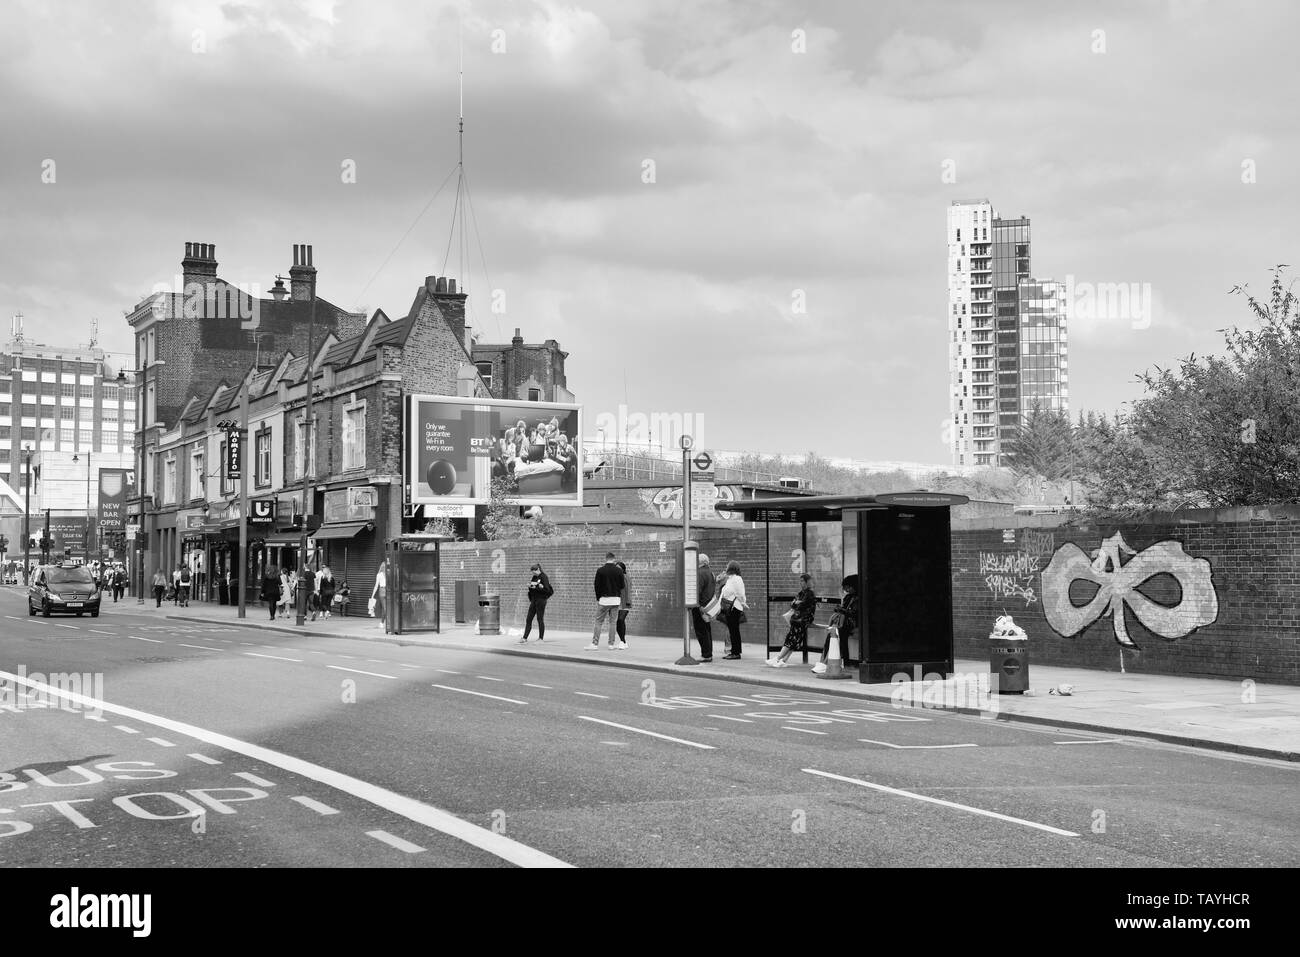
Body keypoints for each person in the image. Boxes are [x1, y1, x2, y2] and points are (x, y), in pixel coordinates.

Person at [768, 574, 817, 668]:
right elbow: (793, 604)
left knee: (792, 637)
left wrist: (797, 603)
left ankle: (778, 658)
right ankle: (783, 660)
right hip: (798, 618)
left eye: (802, 581)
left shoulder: (809, 593)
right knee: (794, 638)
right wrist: (796, 603)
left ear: (807, 582)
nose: (800, 583)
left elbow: (801, 605)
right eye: (800, 581)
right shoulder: (801, 593)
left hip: (804, 619)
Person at [815, 575, 860, 674]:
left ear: (854, 586)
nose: (847, 590)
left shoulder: (859, 597)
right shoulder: (849, 597)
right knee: (834, 633)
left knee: (836, 633)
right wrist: (841, 609)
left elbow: (855, 613)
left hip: (853, 624)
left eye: (848, 587)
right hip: (845, 624)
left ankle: (826, 663)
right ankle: (825, 661)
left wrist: (842, 610)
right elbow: (847, 610)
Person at [588, 552, 625, 650]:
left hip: (604, 600)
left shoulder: (600, 570)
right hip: (616, 600)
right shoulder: (619, 571)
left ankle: (595, 644)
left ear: (606, 558)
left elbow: (596, 586)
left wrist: (598, 598)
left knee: (598, 622)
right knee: (613, 622)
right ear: (614, 559)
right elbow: (622, 586)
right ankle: (611, 644)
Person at [719, 560, 748, 660]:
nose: (726, 567)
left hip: (734, 608)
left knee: (734, 631)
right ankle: (733, 651)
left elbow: (740, 593)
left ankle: (736, 653)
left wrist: (743, 602)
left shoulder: (737, 579)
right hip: (729, 609)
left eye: (727, 566)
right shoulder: (730, 579)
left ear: (731, 568)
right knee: (732, 631)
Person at [692, 553, 716, 662]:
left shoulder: (700, 573)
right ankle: (708, 653)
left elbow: (697, 591)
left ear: (700, 562)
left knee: (701, 631)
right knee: (707, 630)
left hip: (700, 607)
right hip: (708, 606)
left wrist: (699, 605)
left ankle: (706, 655)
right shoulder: (710, 572)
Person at [520, 562, 553, 643]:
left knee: (540, 619)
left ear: (538, 569)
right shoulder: (534, 577)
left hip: (541, 600)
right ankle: (524, 638)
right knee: (528, 619)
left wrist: (538, 587)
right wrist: (530, 587)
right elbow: (532, 588)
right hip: (534, 600)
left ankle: (541, 638)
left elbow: (547, 590)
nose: (533, 573)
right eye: (532, 572)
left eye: (534, 571)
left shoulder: (544, 577)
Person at [615, 560, 632, 649]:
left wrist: (628, 602)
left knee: (620, 620)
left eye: (619, 569)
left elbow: (628, 590)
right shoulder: (616, 578)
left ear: (623, 569)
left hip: (625, 602)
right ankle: (623, 642)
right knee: (618, 622)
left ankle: (623, 641)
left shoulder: (626, 577)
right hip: (617, 603)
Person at [370, 563, 387, 629]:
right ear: (382, 567)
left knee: (385, 608)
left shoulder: (389, 574)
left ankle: (382, 622)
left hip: (388, 590)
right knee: (385, 608)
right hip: (382, 590)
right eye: (384, 567)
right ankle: (382, 623)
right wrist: (372, 595)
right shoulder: (379, 575)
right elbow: (376, 585)